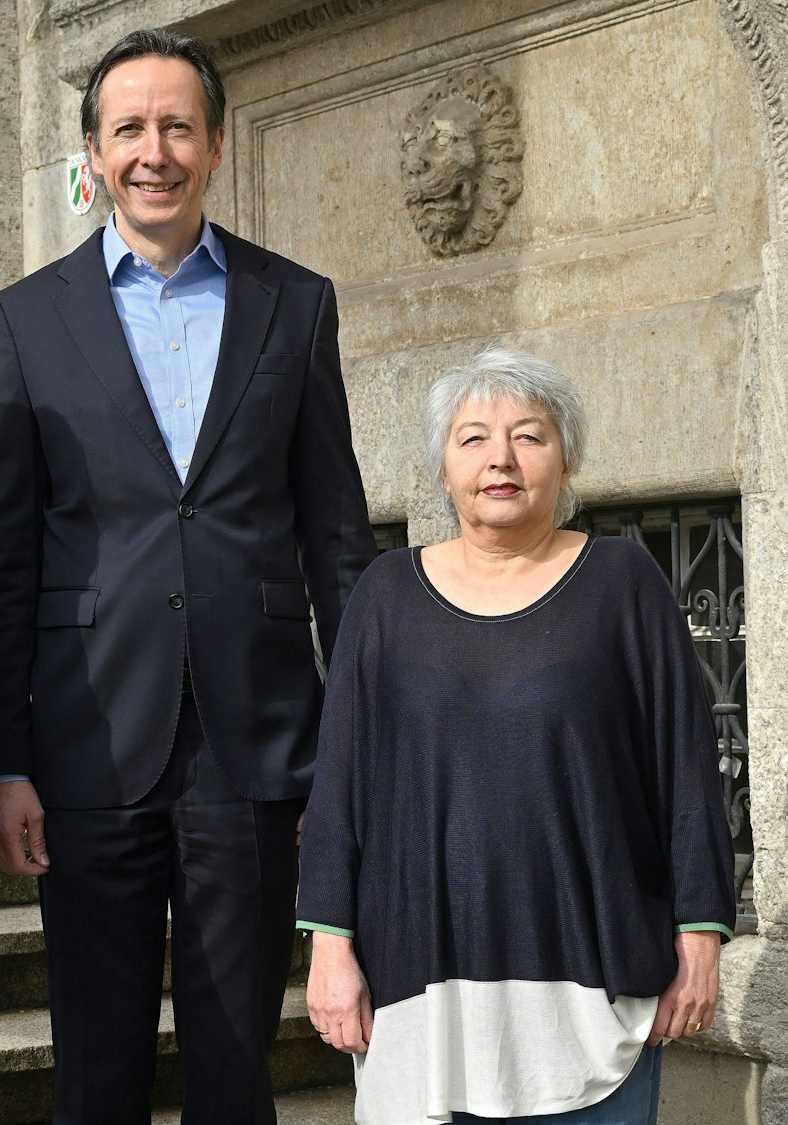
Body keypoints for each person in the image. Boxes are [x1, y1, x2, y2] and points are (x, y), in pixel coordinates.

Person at [0, 26, 378, 1123]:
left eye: (176, 128)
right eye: (129, 130)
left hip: (256, 742)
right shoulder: (26, 318)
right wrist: (8, 762)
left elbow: (337, 544)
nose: (153, 152)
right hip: (88, 738)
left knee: (236, 1065)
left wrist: (347, 756)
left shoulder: (295, 303)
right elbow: (1, 561)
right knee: (94, 1069)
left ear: (216, 144)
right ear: (94, 154)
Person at [298, 347, 736, 1124]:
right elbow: (339, 787)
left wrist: (700, 936)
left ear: (567, 464)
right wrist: (329, 949)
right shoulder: (385, 596)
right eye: (472, 438)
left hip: (593, 988)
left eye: (529, 435)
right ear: (442, 470)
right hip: (423, 989)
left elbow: (688, 772)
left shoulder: (623, 583)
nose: (500, 457)